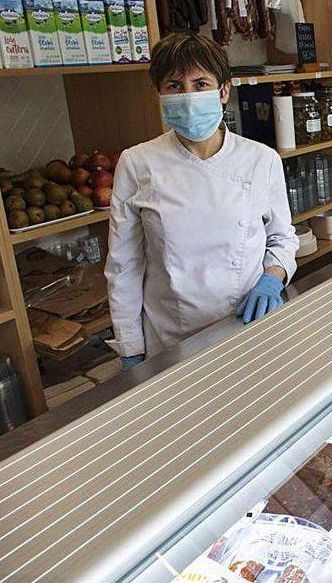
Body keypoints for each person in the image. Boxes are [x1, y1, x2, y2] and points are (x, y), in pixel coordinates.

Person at [106, 32, 300, 367]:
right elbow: (124, 264)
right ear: (161, 94)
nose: (188, 96)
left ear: (223, 91)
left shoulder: (261, 159)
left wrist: (272, 279)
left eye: (200, 84)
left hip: (249, 324)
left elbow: (283, 238)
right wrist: (130, 347)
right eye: (175, 86)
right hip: (173, 338)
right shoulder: (137, 163)